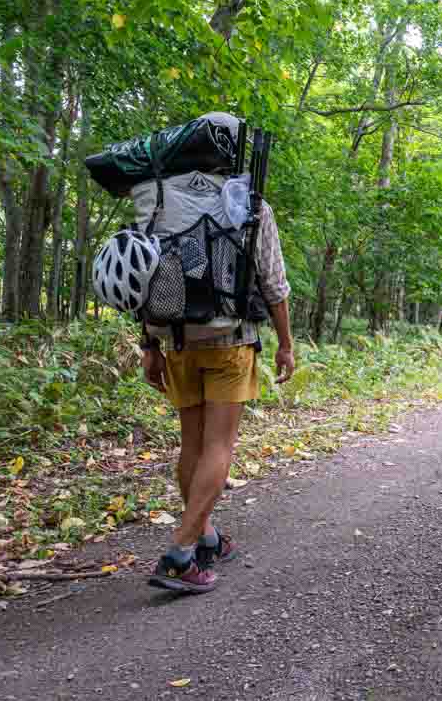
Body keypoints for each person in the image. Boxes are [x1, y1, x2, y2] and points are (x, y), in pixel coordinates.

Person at [139, 198, 294, 594]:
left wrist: (149, 345)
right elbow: (274, 283)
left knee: (191, 445)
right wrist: (285, 345)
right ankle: (180, 553)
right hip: (230, 339)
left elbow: (143, 274)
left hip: (175, 340)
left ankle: (206, 536)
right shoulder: (250, 202)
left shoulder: (160, 199)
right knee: (219, 446)